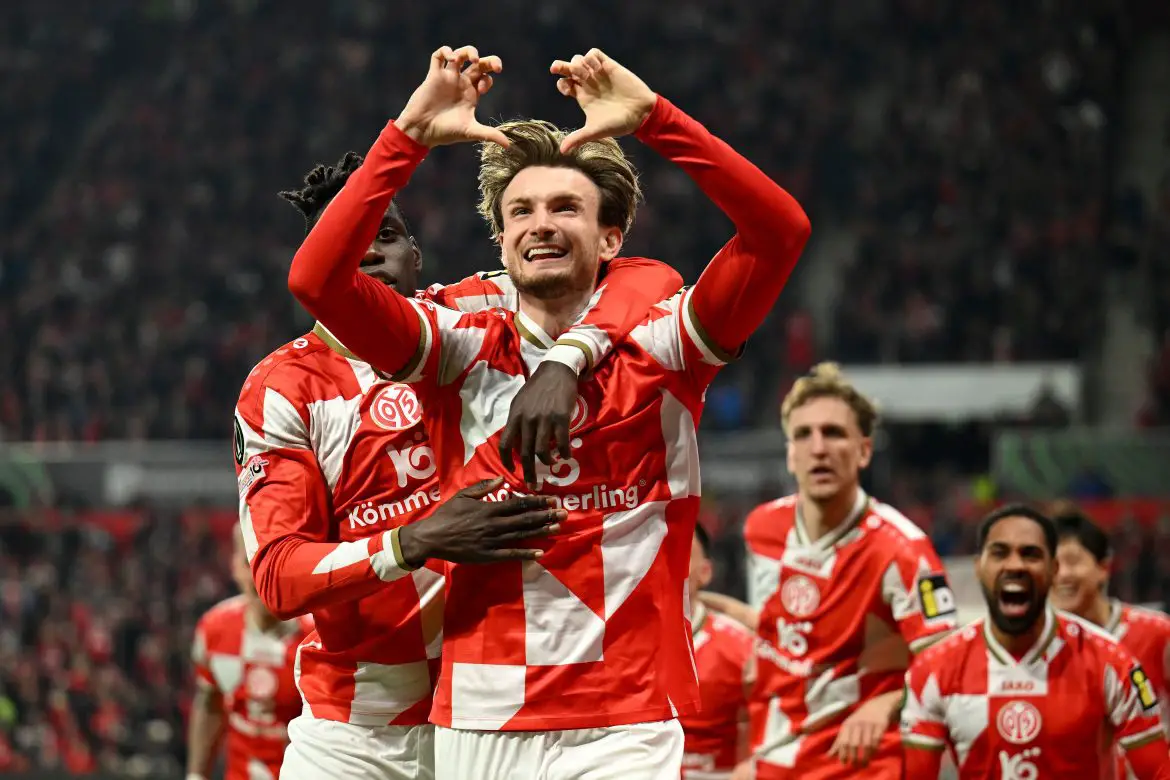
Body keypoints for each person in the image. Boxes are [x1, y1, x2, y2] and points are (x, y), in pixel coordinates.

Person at [287, 44, 810, 779]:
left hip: (624, 717)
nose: (542, 223)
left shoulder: (667, 343)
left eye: (567, 206)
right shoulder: (453, 346)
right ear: (500, 242)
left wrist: (658, 120)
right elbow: (316, 280)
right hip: (478, 715)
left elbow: (780, 232)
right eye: (521, 211)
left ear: (611, 238)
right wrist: (406, 136)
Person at [236, 154, 682, 780]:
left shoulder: (471, 313)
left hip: (487, 714)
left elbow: (644, 275)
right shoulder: (286, 388)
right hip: (355, 733)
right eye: (345, 243)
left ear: (415, 253)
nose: (367, 255)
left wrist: (569, 355)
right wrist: (411, 542)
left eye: (385, 236)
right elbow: (279, 576)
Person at [708, 363, 956, 779]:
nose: (818, 448)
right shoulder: (762, 528)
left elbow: (949, 661)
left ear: (864, 450)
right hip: (774, 761)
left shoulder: (902, 548)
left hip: (859, 764)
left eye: (834, 433)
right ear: (790, 453)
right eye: (804, 435)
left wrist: (889, 700)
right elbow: (786, 636)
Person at [901, 505, 1170, 779]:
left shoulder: (1111, 661)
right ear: (978, 568)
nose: (1015, 565)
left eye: (1030, 554)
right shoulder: (935, 669)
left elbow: (1159, 772)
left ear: (1053, 570)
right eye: (1000, 552)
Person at [1051, 507, 1170, 776]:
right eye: (1053, 565)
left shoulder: (1157, 633)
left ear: (1103, 568)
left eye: (1073, 561)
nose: (1062, 575)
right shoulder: (1040, 649)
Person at [187, 529, 313, 780]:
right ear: (234, 566)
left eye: (269, 564)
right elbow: (210, 704)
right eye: (249, 562)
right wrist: (196, 775)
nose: (260, 577)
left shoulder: (315, 637)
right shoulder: (214, 629)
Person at [680, 524, 755, 779]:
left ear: (705, 572)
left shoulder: (742, 648)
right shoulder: (616, 648)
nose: (665, 564)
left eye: (679, 553)